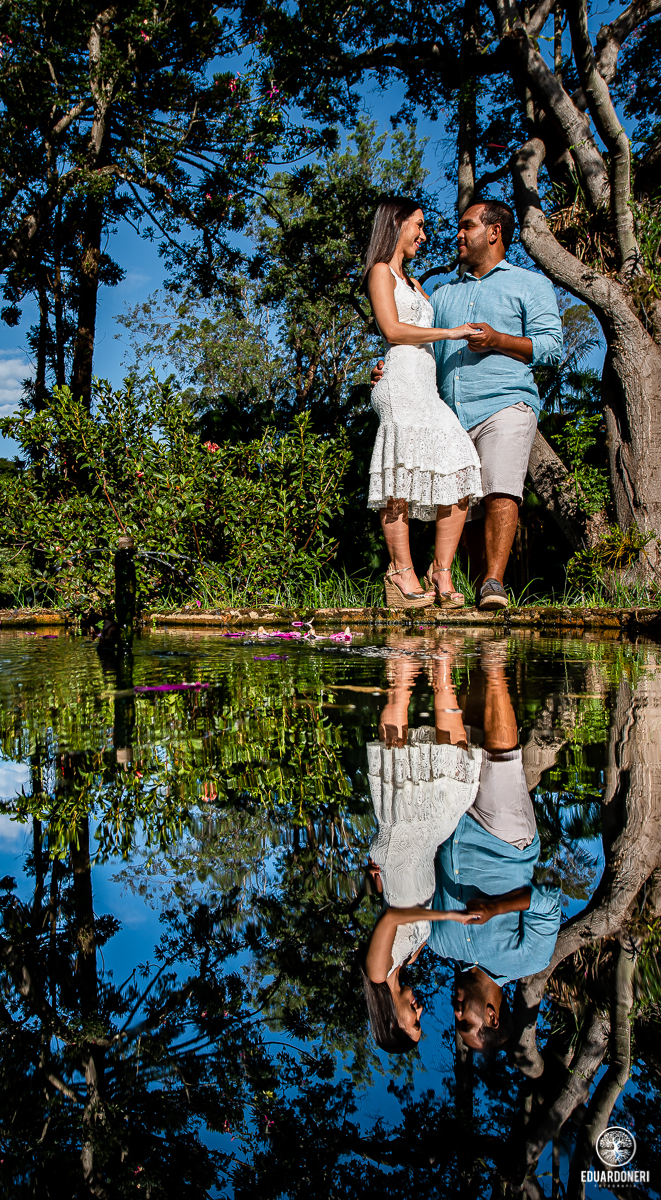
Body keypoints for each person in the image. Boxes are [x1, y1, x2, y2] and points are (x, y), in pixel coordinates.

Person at [370, 199, 562, 611]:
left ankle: (493, 582)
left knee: (500, 488)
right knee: (465, 494)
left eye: (467, 226)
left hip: (504, 402)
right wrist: (391, 365)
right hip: (449, 406)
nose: (456, 234)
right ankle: (450, 580)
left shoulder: (529, 284)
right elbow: (417, 335)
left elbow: (550, 347)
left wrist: (499, 340)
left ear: (493, 232)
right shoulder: (441, 292)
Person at [427, 639, 561, 1051]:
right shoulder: (529, 961)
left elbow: (412, 892)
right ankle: (494, 660)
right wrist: (497, 908)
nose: (454, 1012)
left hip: (451, 825)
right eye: (463, 1023)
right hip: (505, 840)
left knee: (462, 733)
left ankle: (456, 647)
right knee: (502, 754)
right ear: (491, 1016)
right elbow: (548, 902)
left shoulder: (437, 944)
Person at [363, 196, 483, 611]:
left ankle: (441, 571)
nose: (424, 234)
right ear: (396, 225)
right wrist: (450, 333)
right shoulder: (380, 273)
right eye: (418, 224)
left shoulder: (416, 284)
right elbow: (394, 331)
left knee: (459, 460)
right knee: (398, 477)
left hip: (425, 386)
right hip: (399, 383)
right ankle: (401, 572)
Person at [363, 641, 483, 1052]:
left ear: (392, 1023)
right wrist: (378, 886)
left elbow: (393, 915)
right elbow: (390, 906)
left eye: (412, 1023)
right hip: (420, 848)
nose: (418, 1013)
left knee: (403, 765)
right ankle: (441, 670)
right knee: (452, 778)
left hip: (404, 847)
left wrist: (447, 913)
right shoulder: (409, 958)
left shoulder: (378, 972)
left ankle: (404, 672)